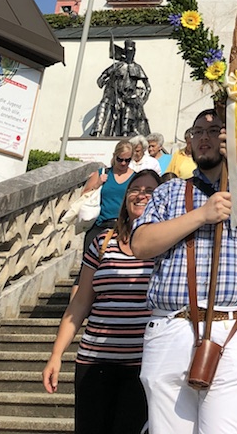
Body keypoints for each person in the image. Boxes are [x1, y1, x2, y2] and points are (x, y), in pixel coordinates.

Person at [131, 107, 237, 434]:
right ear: (189, 142)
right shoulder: (169, 191)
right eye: (198, 132)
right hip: (172, 324)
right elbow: (141, 245)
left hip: (232, 326)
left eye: (214, 131)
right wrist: (201, 215)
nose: (205, 138)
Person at [43, 169, 161, 434]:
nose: (141, 195)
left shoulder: (167, 248)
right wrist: (56, 355)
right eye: (135, 189)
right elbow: (80, 303)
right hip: (94, 361)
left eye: (150, 191)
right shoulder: (102, 242)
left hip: (143, 365)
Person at [81, 139, 135, 254]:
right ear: (114, 156)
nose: (123, 163)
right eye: (120, 159)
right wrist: (97, 184)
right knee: (89, 258)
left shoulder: (135, 177)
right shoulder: (102, 173)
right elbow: (84, 195)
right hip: (100, 224)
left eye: (127, 160)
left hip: (123, 227)